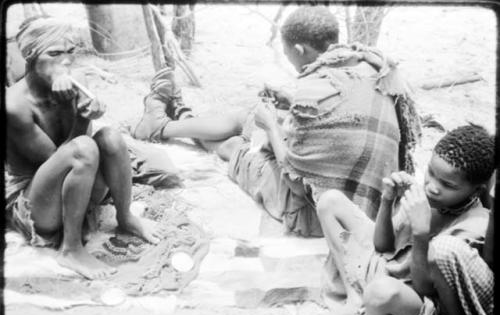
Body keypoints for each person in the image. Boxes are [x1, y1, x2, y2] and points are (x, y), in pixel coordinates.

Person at [131, 6, 420, 236]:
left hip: (325, 214)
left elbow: (297, 183)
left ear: (299, 49)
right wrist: (289, 103)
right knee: (246, 118)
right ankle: (170, 123)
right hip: (373, 205)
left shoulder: (314, 92)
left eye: (286, 53)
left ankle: (166, 124)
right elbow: (344, 118)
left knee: (235, 146)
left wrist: (271, 125)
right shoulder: (372, 66)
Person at [5, 16, 168, 280]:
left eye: (71, 52)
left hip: (76, 186)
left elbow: (89, 151)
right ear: (31, 56)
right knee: (84, 147)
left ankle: (125, 216)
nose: (65, 62)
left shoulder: (76, 81)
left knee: (111, 137)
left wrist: (86, 108)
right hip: (36, 203)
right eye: (54, 53)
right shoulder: (14, 105)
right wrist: (82, 117)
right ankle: (71, 249)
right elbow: (62, 157)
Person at [315, 124, 495, 315]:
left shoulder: (475, 226)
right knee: (330, 201)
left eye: (448, 185)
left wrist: (420, 233)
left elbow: (424, 287)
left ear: (476, 190)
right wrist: (387, 200)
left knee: (381, 294)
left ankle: (370, 312)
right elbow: (382, 246)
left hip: (412, 297)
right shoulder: (426, 196)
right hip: (386, 267)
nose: (432, 187)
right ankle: (354, 297)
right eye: (431, 173)